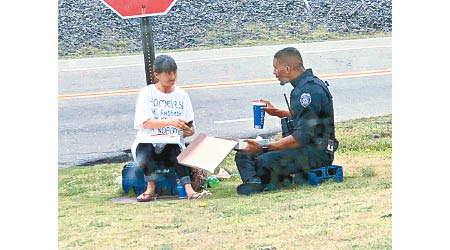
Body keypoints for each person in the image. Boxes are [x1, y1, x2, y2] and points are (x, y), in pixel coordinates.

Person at [235, 47, 338, 195]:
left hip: (316, 153)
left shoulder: (308, 91)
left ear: (288, 68)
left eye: (276, 68)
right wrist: (277, 112)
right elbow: (307, 118)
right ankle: (255, 182)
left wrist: (264, 147)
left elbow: (301, 137)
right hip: (304, 149)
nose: (274, 72)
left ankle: (266, 182)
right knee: (243, 154)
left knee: (263, 160)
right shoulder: (304, 87)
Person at [131, 55, 205, 201]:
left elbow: (190, 128)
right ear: (157, 74)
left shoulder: (182, 95)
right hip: (149, 142)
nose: (172, 77)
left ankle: (188, 189)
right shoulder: (147, 93)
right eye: (168, 73)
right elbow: (145, 122)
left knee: (175, 149)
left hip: (172, 143)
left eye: (174, 72)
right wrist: (169, 122)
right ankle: (150, 188)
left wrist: (188, 131)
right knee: (145, 148)